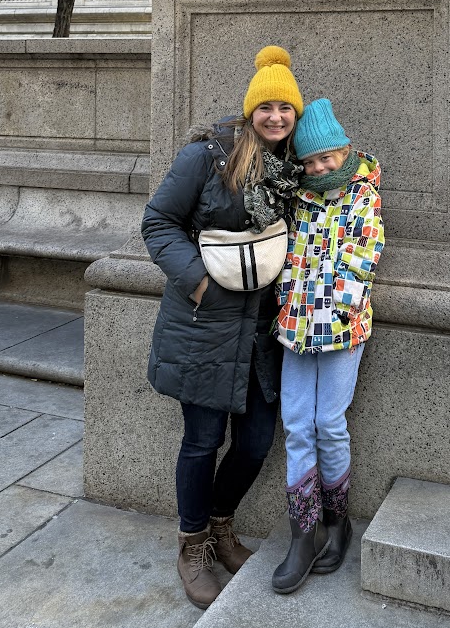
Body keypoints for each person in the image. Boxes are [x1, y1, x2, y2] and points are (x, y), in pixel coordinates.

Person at [141, 45, 304, 610]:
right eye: (267, 108)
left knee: (256, 442)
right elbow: (157, 222)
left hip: (262, 332)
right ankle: (192, 545)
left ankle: (220, 524)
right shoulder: (207, 157)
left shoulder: (293, 168)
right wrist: (200, 282)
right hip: (205, 324)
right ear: (250, 109)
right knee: (203, 441)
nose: (277, 118)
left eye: (287, 108)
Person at [271, 99, 384, 594]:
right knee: (297, 423)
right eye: (310, 161)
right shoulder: (296, 196)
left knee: (328, 423)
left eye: (326, 158)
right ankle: (303, 532)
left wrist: (337, 308)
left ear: (343, 151)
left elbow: (365, 253)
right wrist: (289, 303)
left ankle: (339, 524)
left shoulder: (362, 194)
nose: (319, 168)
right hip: (295, 325)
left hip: (341, 328)